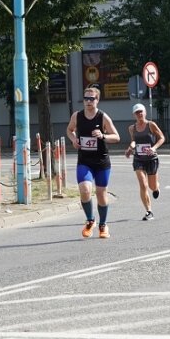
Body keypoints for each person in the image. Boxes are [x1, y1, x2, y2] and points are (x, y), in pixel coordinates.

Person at [66, 86, 120, 239]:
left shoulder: (103, 117)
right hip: (85, 161)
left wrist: (103, 135)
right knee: (84, 190)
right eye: (86, 98)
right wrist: (74, 140)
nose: (88, 101)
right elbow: (69, 130)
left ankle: (103, 225)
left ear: (97, 100)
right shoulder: (77, 116)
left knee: (101, 194)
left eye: (92, 98)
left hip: (101, 161)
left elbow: (117, 137)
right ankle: (90, 220)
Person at [125, 103, 165, 221]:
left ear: (145, 112)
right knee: (143, 184)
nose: (140, 114)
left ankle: (156, 188)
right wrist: (130, 148)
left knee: (152, 186)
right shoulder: (132, 128)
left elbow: (162, 137)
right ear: (134, 115)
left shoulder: (151, 125)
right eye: (137, 112)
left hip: (151, 159)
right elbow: (134, 141)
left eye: (141, 111)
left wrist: (153, 148)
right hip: (138, 159)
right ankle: (149, 211)